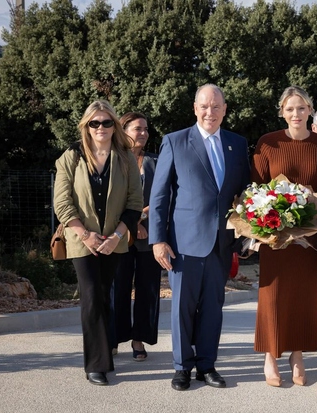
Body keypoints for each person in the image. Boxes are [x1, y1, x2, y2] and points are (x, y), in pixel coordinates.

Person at [148, 84, 250, 391]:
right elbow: (160, 195)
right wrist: (157, 239)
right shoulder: (175, 141)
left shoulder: (237, 143)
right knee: (182, 307)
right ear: (195, 108)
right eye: (204, 106)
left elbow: (245, 196)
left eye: (216, 107)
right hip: (184, 243)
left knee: (212, 307)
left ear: (224, 110)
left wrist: (246, 237)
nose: (210, 112)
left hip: (222, 243)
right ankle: (182, 367)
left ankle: (207, 365)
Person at [53, 100, 143, 385]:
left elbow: (135, 202)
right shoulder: (71, 156)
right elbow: (62, 202)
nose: (100, 127)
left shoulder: (125, 157)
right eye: (95, 123)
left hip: (113, 241)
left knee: (105, 295)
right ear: (86, 126)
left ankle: (105, 356)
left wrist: (115, 235)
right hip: (83, 240)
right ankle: (96, 364)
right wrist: (86, 234)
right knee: (91, 296)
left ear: (114, 125)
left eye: (106, 122)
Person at [252, 85, 317, 387]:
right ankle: (271, 356)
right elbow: (255, 191)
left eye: (301, 108)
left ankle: (297, 355)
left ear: (310, 110)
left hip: (309, 238)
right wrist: (266, 228)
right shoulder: (267, 143)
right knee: (273, 297)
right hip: (274, 237)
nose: (296, 114)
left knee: (304, 297)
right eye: (290, 109)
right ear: (282, 112)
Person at [111, 112, 161, 361]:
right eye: (137, 128)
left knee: (147, 290)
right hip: (117, 236)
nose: (143, 133)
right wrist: (131, 224)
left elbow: (165, 195)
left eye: (146, 128)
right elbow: (108, 199)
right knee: (117, 289)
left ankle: (139, 340)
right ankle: (113, 338)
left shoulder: (157, 161)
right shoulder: (113, 160)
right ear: (124, 130)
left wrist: (143, 217)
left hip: (150, 236)